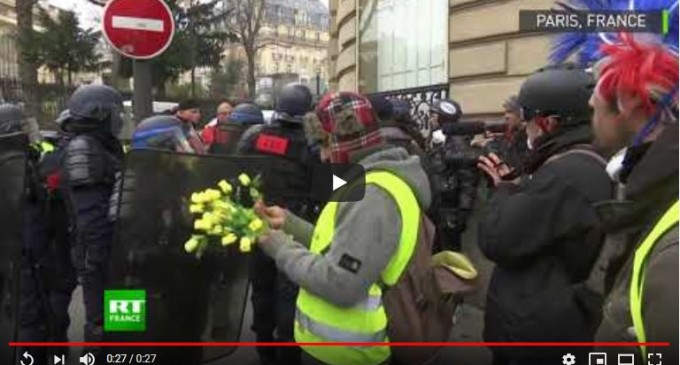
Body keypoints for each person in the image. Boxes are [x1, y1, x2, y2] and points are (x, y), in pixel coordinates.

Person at [253, 92, 432, 365]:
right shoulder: (366, 180)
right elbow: (340, 246)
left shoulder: (373, 195)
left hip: (350, 355)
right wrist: (290, 224)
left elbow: (341, 284)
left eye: (324, 145)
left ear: (340, 142)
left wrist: (281, 249)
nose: (323, 157)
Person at [476, 64, 613, 364]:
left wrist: (502, 190)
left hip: (538, 335)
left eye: (528, 120)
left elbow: (498, 238)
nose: (526, 128)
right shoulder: (591, 159)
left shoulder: (565, 173)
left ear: (548, 123)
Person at [583, 34, 678, 363]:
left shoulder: (674, 249)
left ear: (628, 104)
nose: (589, 109)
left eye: (595, 103)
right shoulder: (652, 193)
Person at [238, 83, 320, 365]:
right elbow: (329, 186)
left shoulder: (255, 136)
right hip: (293, 224)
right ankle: (288, 351)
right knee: (289, 291)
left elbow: (238, 172)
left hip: (258, 221)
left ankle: (264, 346)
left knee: (261, 286)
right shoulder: (311, 146)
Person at [57, 85, 124, 360]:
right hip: (101, 254)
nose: (120, 119)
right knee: (101, 324)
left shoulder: (103, 145)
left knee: (124, 324)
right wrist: (103, 260)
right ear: (100, 114)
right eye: (116, 113)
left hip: (117, 251)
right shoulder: (84, 148)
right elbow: (89, 216)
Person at [13, 105, 74, 364]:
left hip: (41, 244)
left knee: (38, 307)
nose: (31, 132)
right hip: (35, 246)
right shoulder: (18, 165)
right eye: (24, 128)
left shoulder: (38, 156)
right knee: (37, 308)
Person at [427, 99, 479, 252]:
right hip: (438, 208)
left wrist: (462, 212)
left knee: (449, 256)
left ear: (442, 118)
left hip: (449, 212)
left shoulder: (457, 143)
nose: (430, 119)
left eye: (433, 115)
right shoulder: (438, 138)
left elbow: (468, 179)